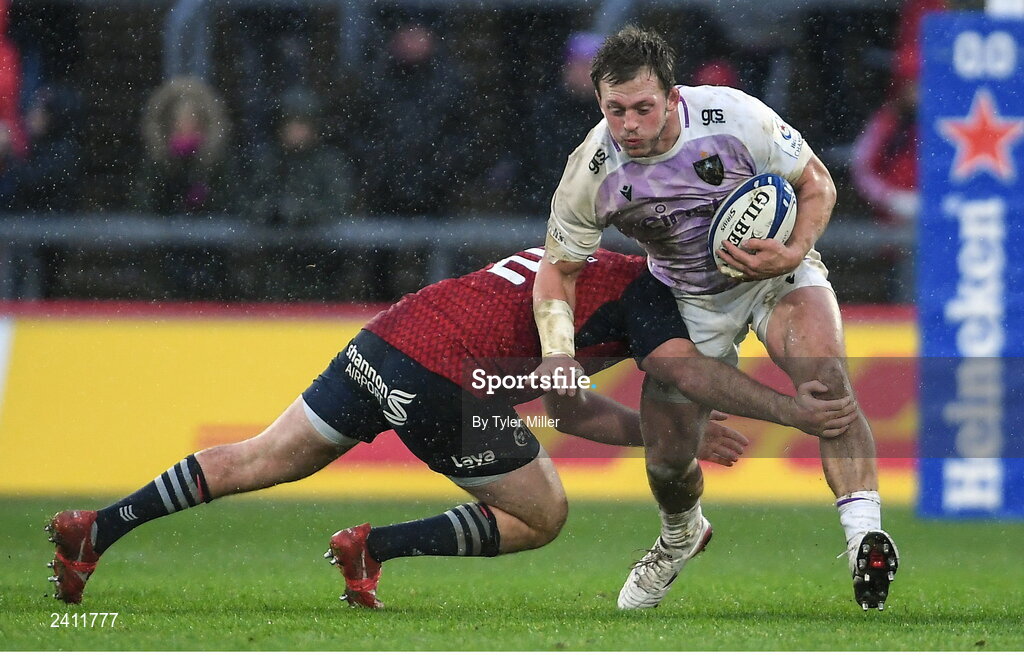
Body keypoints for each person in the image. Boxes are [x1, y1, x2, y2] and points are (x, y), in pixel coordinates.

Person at [46, 247, 856, 607]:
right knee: (544, 512)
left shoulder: (589, 262)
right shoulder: (649, 298)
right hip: (440, 377)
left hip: (390, 335)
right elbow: (635, 384)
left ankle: (98, 529)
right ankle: (373, 548)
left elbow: (556, 394)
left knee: (259, 458)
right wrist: (738, 420)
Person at [531, 26, 898, 611]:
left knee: (825, 380)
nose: (628, 124)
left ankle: (865, 541)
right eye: (614, 109)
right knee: (668, 457)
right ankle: (679, 537)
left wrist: (796, 248)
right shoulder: (593, 168)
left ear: (673, 98)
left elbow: (817, 183)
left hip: (774, 275)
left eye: (643, 108)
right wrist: (556, 352)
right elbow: (558, 270)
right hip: (689, 301)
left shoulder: (732, 117)